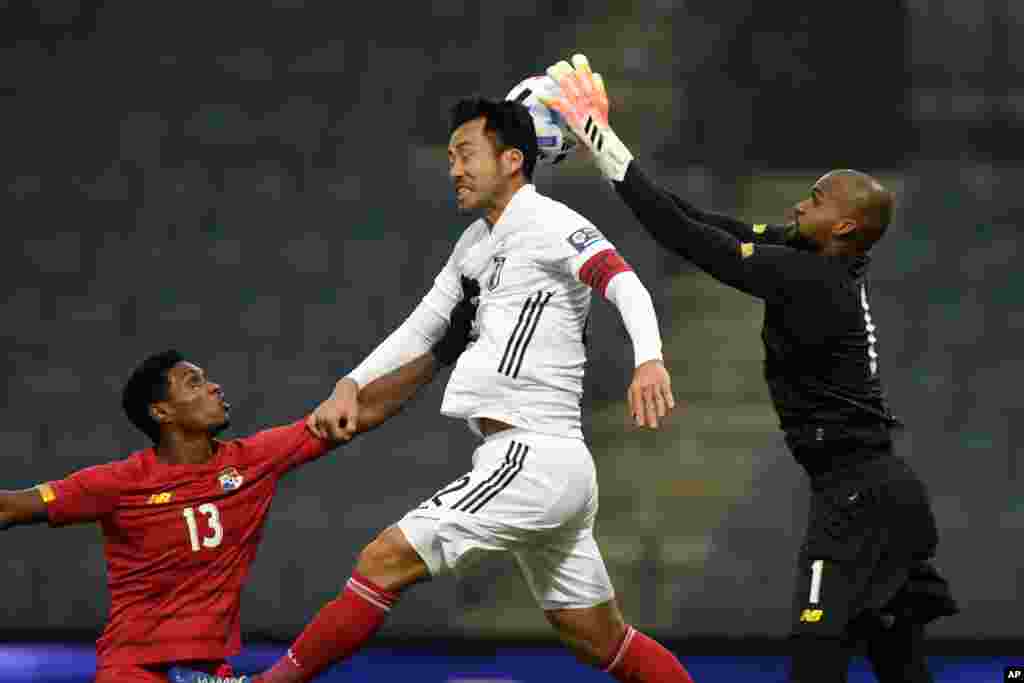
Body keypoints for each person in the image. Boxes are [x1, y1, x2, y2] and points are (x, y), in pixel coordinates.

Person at [202, 96, 700, 683]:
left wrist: (650, 360)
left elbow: (624, 283)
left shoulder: (552, 223)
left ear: (513, 160)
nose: (453, 169)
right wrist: (350, 383)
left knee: (383, 560)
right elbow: (422, 325)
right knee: (599, 639)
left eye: (465, 154)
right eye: (449, 157)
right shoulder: (474, 245)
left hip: (532, 455)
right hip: (541, 462)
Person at [541, 54, 959, 682]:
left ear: (843, 224)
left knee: (816, 655)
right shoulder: (809, 256)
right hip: (880, 494)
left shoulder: (810, 277)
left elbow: (684, 238)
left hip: (857, 498)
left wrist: (602, 140)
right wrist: (608, 147)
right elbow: (700, 221)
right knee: (898, 665)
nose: (799, 203)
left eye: (814, 199)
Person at [0, 294, 478, 683]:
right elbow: (10, 508)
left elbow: (361, 412)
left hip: (212, 672)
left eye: (208, 379)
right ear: (161, 413)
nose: (214, 388)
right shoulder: (116, 483)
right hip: (134, 671)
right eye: (194, 383)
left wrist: (440, 353)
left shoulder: (253, 460)